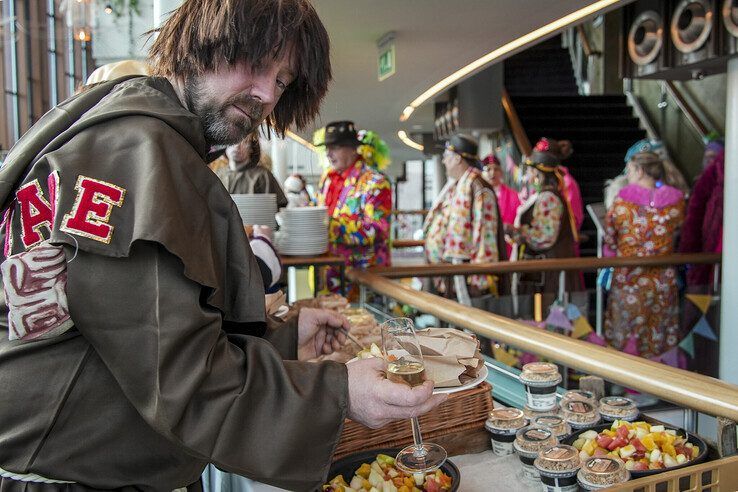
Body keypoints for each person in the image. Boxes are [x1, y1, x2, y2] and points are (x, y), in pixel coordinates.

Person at [0, 1, 445, 490]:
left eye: (283, 79)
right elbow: (182, 380)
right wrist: (340, 392)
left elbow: (138, 336)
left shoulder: (124, 134)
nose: (265, 93)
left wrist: (284, 339)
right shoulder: (137, 148)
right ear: (202, 40)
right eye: (257, 62)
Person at [603, 151, 685, 362]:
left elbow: (610, 237)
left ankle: (625, 382)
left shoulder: (622, 204)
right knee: (658, 331)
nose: (628, 176)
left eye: (630, 171)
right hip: (662, 280)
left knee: (627, 329)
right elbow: (681, 235)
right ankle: (655, 385)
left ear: (639, 171)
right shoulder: (675, 203)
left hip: (629, 278)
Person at [424, 135, 506, 308]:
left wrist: (479, 278)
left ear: (458, 158)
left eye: (447, 156)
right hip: (453, 274)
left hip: (469, 278)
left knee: (472, 331)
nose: (444, 161)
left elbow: (485, 235)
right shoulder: (458, 185)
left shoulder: (478, 186)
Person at [316, 121, 392, 295]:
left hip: (364, 282)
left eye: (334, 147)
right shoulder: (327, 180)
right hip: (328, 277)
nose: (328, 154)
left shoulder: (375, 182)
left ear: (352, 148)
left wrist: (330, 226)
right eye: (327, 148)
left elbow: (377, 230)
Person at [508, 138, 582, 311]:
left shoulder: (548, 197)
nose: (529, 175)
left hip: (548, 275)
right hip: (542, 273)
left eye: (531, 170)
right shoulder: (544, 195)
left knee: (547, 318)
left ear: (538, 173)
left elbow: (544, 237)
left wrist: (518, 232)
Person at [214, 133, 289, 208]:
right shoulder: (217, 175)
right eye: (232, 142)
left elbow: (280, 205)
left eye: (244, 142)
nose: (237, 146)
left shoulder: (263, 175)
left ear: (251, 148)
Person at [481, 154, 520, 259]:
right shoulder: (477, 196)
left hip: (507, 247)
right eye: (488, 169)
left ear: (501, 172)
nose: (492, 173)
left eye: (496, 169)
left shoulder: (514, 196)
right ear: (482, 173)